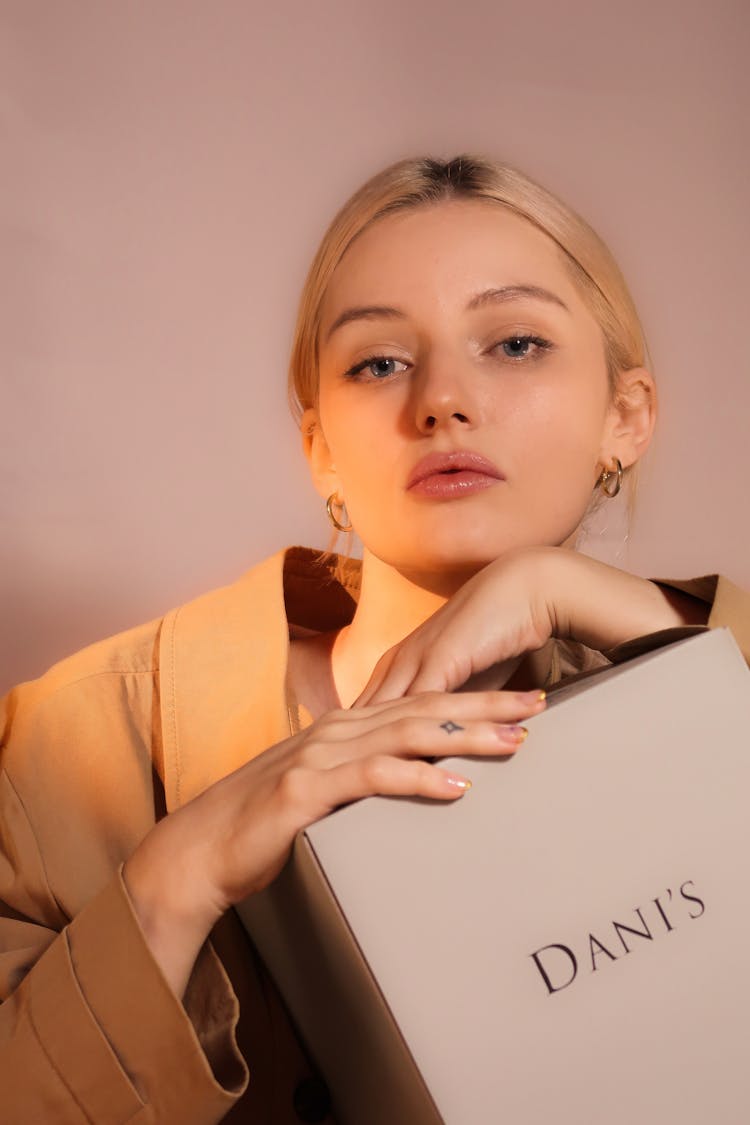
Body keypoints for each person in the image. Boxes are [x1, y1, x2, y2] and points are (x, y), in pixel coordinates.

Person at [1, 154, 748, 1125]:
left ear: (626, 416)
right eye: (378, 362)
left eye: (515, 344)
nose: (440, 399)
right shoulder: (65, 749)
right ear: (320, 448)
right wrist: (181, 870)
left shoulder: (715, 652)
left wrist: (654, 641)